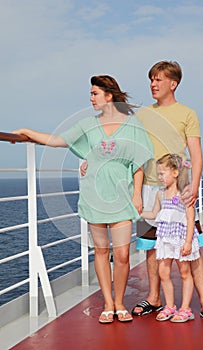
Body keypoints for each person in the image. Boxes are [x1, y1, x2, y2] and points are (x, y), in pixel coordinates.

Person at [13, 75, 154, 324]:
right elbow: (57, 141)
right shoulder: (88, 124)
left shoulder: (133, 126)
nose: (90, 99)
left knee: (121, 255)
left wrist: (137, 195)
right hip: (93, 195)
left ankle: (120, 302)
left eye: (94, 94)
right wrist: (26, 132)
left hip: (121, 197)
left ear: (109, 96)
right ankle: (108, 304)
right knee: (101, 251)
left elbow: (139, 163)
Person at [132, 60, 203, 323]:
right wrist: (137, 191)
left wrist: (194, 185)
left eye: (159, 79)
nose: (153, 83)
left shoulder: (188, 113)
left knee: (193, 247)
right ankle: (154, 298)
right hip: (150, 187)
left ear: (173, 84)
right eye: (151, 79)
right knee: (152, 247)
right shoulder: (142, 115)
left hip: (180, 189)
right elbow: (135, 152)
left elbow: (196, 154)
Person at [141, 154, 200, 322]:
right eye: (158, 174)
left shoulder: (185, 193)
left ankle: (186, 309)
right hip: (165, 238)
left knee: (184, 271)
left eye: (162, 173)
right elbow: (153, 214)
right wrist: (137, 212)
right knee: (163, 271)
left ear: (175, 172)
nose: (160, 177)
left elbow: (190, 218)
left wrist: (188, 241)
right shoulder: (160, 194)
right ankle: (170, 306)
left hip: (181, 238)